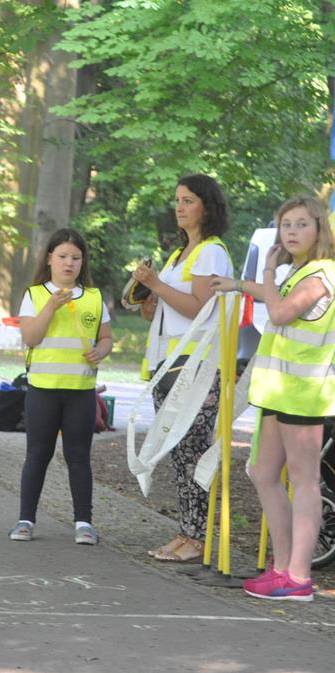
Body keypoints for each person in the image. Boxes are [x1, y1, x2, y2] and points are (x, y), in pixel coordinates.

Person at [210, 196, 335, 601]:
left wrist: (266, 267)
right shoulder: (300, 272)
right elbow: (275, 296)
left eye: (301, 224)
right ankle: (281, 568)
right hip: (278, 391)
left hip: (303, 394)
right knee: (263, 473)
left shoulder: (323, 273)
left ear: (319, 229)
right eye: (286, 225)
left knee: (304, 480)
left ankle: (298, 577)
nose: (292, 232)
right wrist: (238, 285)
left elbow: (280, 311)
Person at [132, 173, 233, 563]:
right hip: (171, 363)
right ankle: (186, 532)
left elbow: (199, 308)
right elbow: (171, 308)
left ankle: (198, 538)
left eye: (188, 200)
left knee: (192, 451)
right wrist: (149, 300)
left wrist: (157, 285)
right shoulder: (179, 254)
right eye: (177, 200)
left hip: (197, 364)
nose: (179, 207)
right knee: (179, 452)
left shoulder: (210, 252)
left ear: (207, 207)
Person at [9, 228, 114, 545]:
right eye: (63, 256)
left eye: (76, 258)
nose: (69, 263)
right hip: (43, 389)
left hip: (80, 391)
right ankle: (25, 521)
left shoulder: (94, 297)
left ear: (83, 262)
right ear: (49, 259)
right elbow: (31, 337)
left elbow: (106, 338)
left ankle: (84, 523)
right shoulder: (35, 295)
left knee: (78, 456)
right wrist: (51, 307)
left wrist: (101, 351)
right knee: (37, 455)